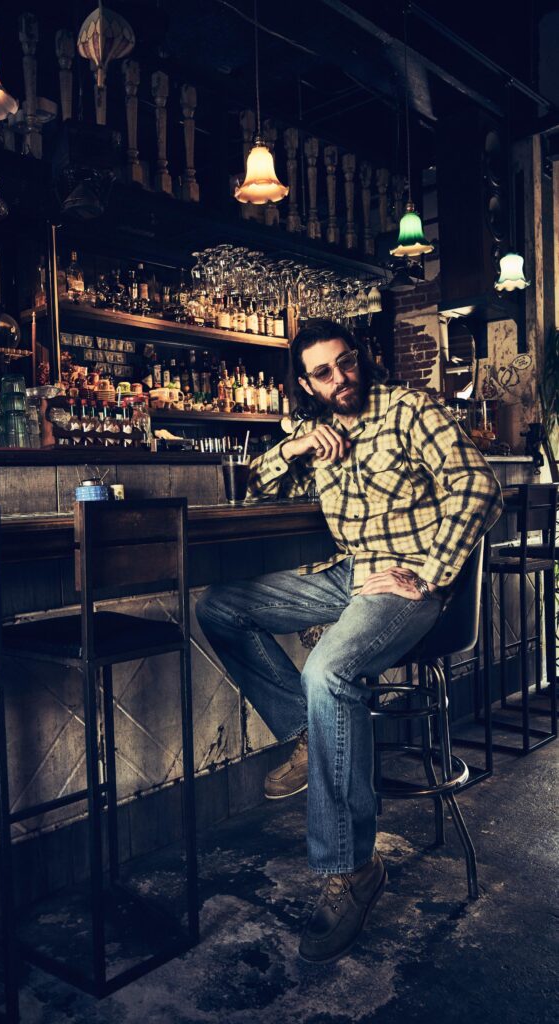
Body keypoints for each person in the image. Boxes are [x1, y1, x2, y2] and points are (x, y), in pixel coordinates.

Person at [196, 320, 502, 964]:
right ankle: (307, 734)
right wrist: (296, 447)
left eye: (346, 363)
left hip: (408, 584)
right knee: (220, 607)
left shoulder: (408, 409)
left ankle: (351, 870)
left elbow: (479, 486)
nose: (341, 379)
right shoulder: (321, 435)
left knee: (327, 672)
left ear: (361, 359)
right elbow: (256, 487)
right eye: (323, 373)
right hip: (348, 576)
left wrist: (428, 573)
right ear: (307, 384)